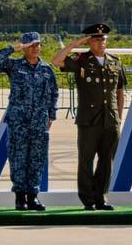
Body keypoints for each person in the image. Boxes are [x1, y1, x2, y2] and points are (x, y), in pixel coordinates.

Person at [52, 23, 127, 210]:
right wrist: (75, 45)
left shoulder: (115, 62)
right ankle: (88, 200)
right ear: (89, 41)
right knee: (86, 160)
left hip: (110, 119)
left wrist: (118, 117)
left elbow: (120, 92)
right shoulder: (82, 60)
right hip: (89, 119)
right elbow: (57, 61)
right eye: (96, 39)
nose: (101, 42)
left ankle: (101, 198)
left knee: (106, 161)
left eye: (103, 38)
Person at [0, 32, 60, 210]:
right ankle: (20, 197)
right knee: (18, 158)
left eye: (37, 45)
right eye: (31, 45)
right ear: (24, 47)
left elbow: (53, 93)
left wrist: (51, 115)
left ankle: (33, 196)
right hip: (18, 121)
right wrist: (13, 48)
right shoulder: (14, 66)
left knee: (37, 159)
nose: (35, 48)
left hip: (39, 121)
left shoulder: (46, 70)